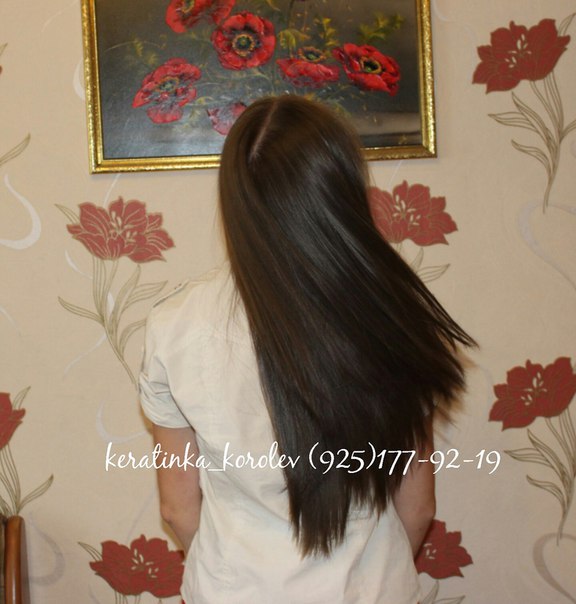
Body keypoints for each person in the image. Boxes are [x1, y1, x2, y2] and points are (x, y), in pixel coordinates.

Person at [139, 95, 475, 603]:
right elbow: (418, 507)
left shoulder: (175, 325)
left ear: (235, 199)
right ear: (342, 188)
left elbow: (178, 510)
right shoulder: (396, 315)